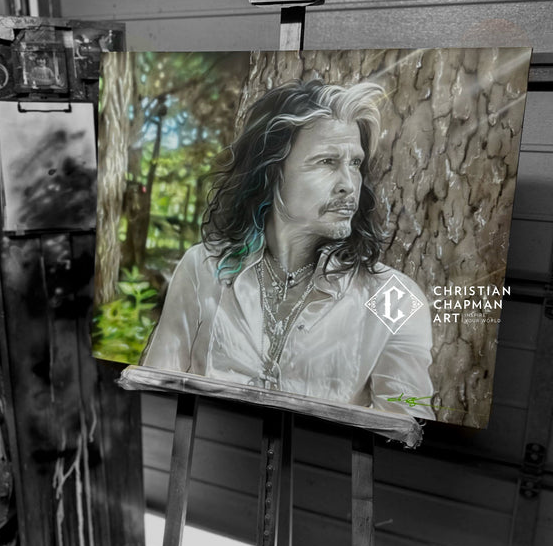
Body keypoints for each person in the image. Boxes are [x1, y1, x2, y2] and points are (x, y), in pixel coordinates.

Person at [141, 79, 434, 419]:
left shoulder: (394, 298)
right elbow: (155, 395)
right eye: (327, 161)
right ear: (272, 170)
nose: (348, 184)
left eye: (355, 163)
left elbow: (407, 429)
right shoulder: (203, 268)